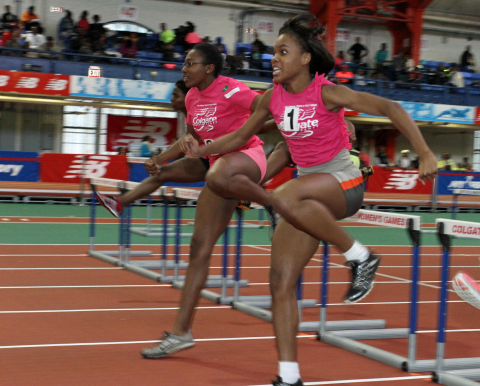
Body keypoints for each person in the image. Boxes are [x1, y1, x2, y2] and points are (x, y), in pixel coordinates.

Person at [181, 13, 437, 385]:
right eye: (274, 52)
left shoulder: (327, 92)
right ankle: (289, 375)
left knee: (282, 197)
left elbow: (392, 109)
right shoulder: (271, 98)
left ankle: (360, 256)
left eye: (283, 51)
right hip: (307, 195)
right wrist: (201, 150)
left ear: (304, 59)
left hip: (343, 182)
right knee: (280, 281)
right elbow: (238, 139)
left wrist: (426, 154)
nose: (275, 58)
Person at [91, 45, 294, 361]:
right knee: (198, 250)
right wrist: (161, 158)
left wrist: (299, 130)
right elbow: (191, 140)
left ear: (210, 67)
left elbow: (268, 108)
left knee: (217, 172)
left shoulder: (231, 89)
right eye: (183, 64)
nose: (183, 69)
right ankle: (181, 332)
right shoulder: (191, 98)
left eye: (189, 63)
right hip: (218, 170)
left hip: (247, 158)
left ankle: (274, 205)